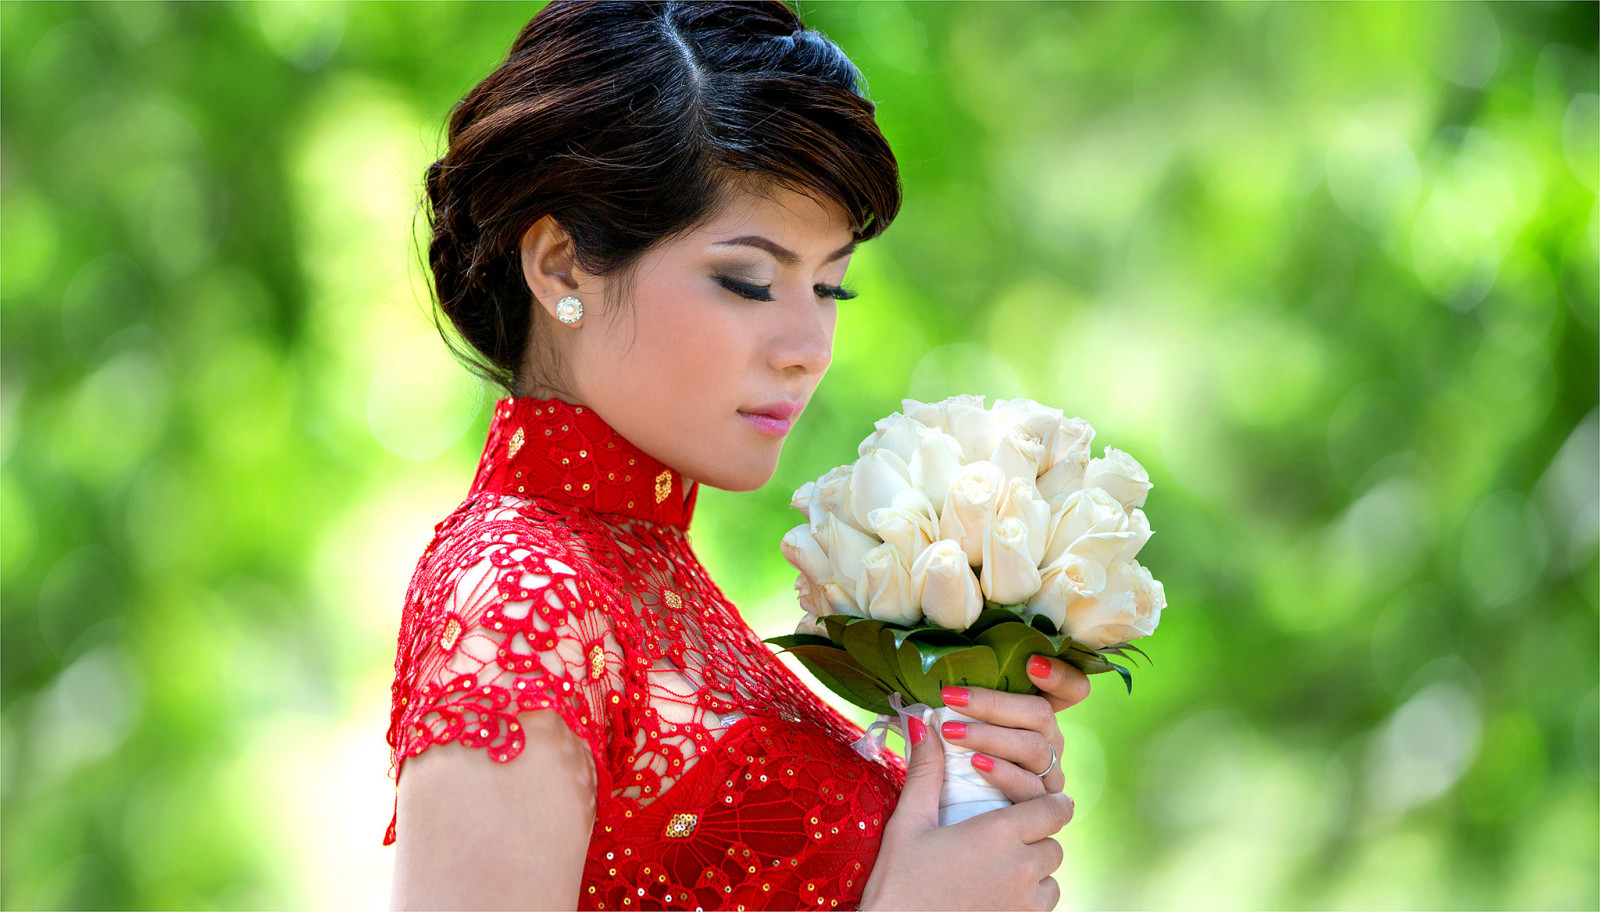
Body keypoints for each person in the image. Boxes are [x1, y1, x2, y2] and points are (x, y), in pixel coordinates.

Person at [384, 2, 1090, 909]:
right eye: (748, 281)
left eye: (830, 285)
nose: (809, 344)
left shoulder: (641, 582)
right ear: (561, 266)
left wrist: (961, 758)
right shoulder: (523, 588)